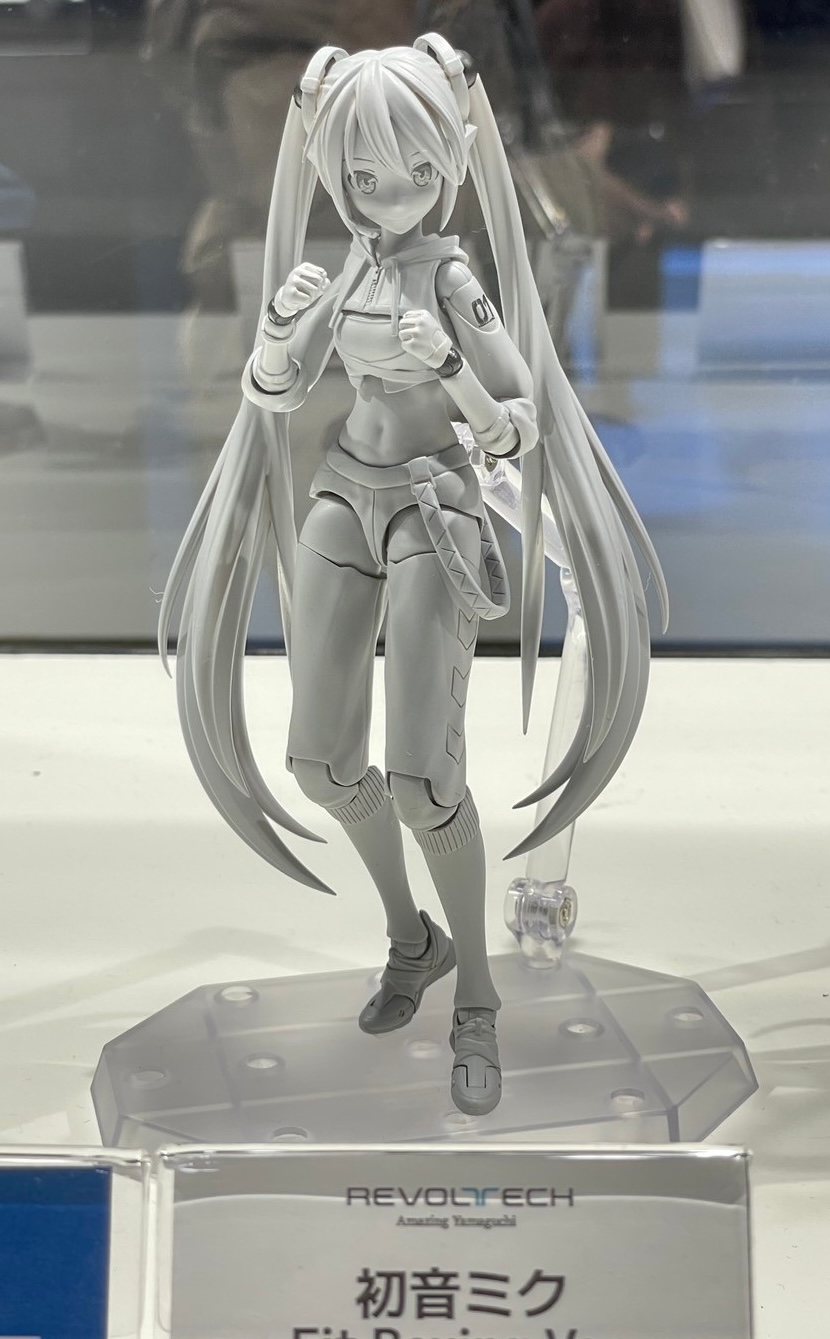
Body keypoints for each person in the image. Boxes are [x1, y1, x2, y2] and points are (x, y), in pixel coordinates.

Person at [159, 35, 667, 1117]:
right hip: (344, 493)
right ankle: (411, 937)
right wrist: (280, 334)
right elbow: (275, 394)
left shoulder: (453, 278)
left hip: (434, 507)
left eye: (415, 173)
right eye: (363, 177)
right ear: (333, 175)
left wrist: (451, 372)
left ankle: (476, 993)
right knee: (317, 763)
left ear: (449, 166)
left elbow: (520, 419)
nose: (390, 195)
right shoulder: (343, 269)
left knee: (424, 781)